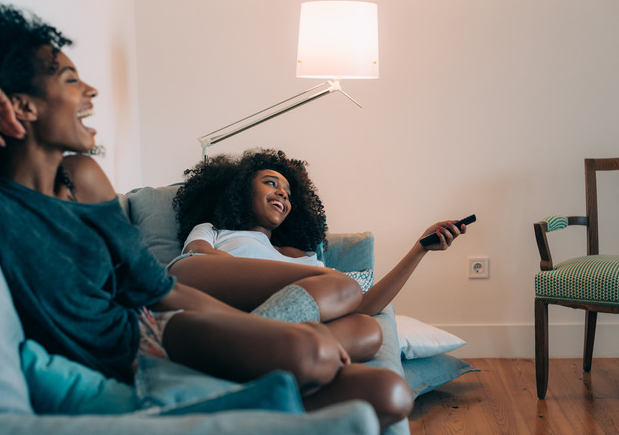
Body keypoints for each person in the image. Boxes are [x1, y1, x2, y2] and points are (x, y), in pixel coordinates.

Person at [0, 5, 411, 431]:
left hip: (152, 329)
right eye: (70, 79)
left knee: (386, 391)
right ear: (21, 105)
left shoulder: (83, 177)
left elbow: (160, 288)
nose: (90, 92)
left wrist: (249, 336)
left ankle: (270, 381)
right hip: (119, 364)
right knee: (320, 357)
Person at [170, 149, 467, 360]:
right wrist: (316, 279)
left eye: (287, 193)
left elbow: (363, 305)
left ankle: (253, 345)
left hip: (282, 319)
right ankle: (269, 342)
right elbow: (197, 259)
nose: (283, 194)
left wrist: (419, 249)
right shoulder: (216, 230)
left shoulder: (303, 256)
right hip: (217, 288)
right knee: (340, 285)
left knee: (366, 329)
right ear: (240, 190)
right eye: (271, 183)